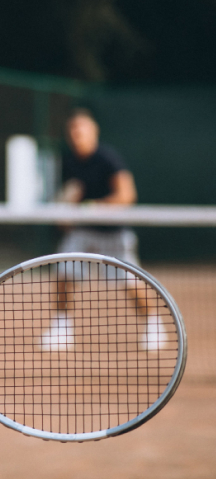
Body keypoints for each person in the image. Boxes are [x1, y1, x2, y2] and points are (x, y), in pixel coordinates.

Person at [42, 108, 164, 351]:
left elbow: (127, 195)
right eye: (72, 130)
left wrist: (95, 207)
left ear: (93, 132)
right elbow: (68, 198)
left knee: (130, 282)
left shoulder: (108, 158)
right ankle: (61, 327)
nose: (76, 134)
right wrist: (66, 214)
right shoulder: (67, 161)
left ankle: (153, 325)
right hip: (82, 232)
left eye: (81, 129)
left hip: (113, 233)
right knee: (63, 275)